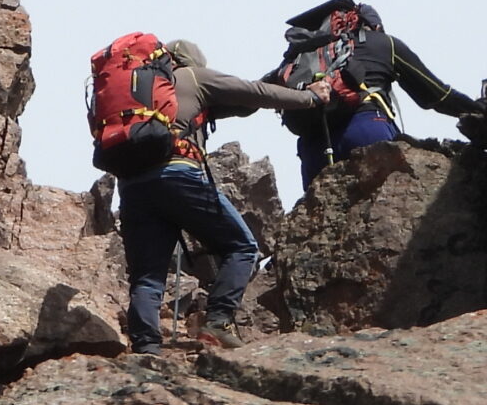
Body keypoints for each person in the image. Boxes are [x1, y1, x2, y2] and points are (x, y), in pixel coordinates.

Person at [92, 36, 327, 354]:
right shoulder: (192, 76)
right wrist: (310, 98)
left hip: (132, 187)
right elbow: (253, 93)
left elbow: (239, 107)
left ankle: (146, 348)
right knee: (242, 247)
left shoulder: (137, 95)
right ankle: (218, 323)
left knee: (147, 275)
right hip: (177, 175)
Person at [274, 0, 483, 187]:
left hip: (314, 148)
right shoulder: (384, 43)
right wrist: (478, 111)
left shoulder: (296, 60)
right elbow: (437, 95)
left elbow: (255, 95)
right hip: (367, 128)